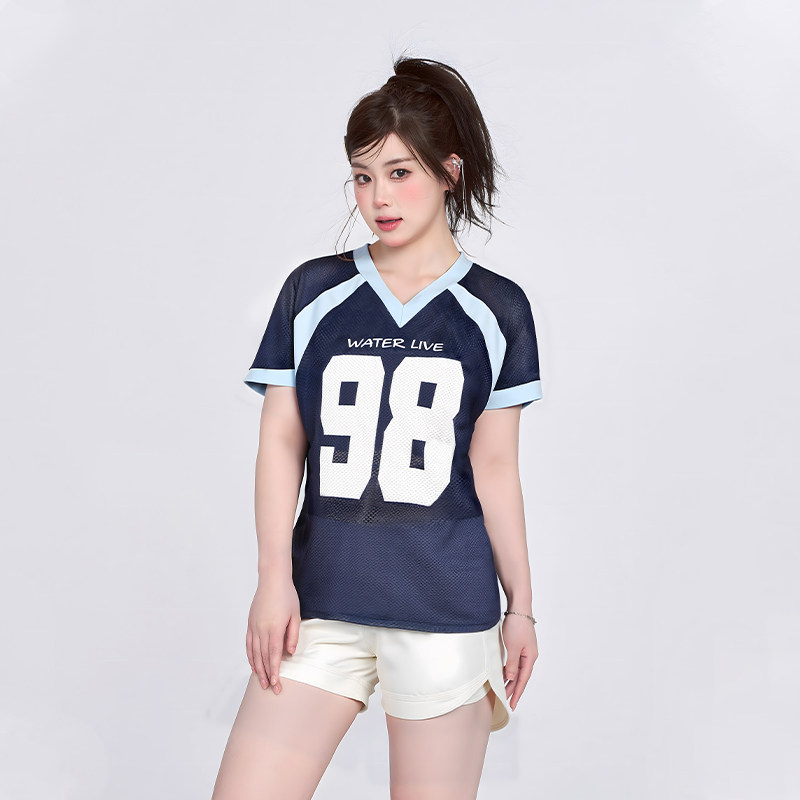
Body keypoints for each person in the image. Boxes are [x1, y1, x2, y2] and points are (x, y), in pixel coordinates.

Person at [212, 55, 543, 800]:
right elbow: (282, 441)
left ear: (450, 172)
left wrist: (520, 606)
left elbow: (494, 468)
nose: (378, 197)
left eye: (399, 173)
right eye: (362, 177)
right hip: (319, 601)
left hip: (446, 610)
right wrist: (272, 580)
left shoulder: (498, 308)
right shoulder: (314, 291)